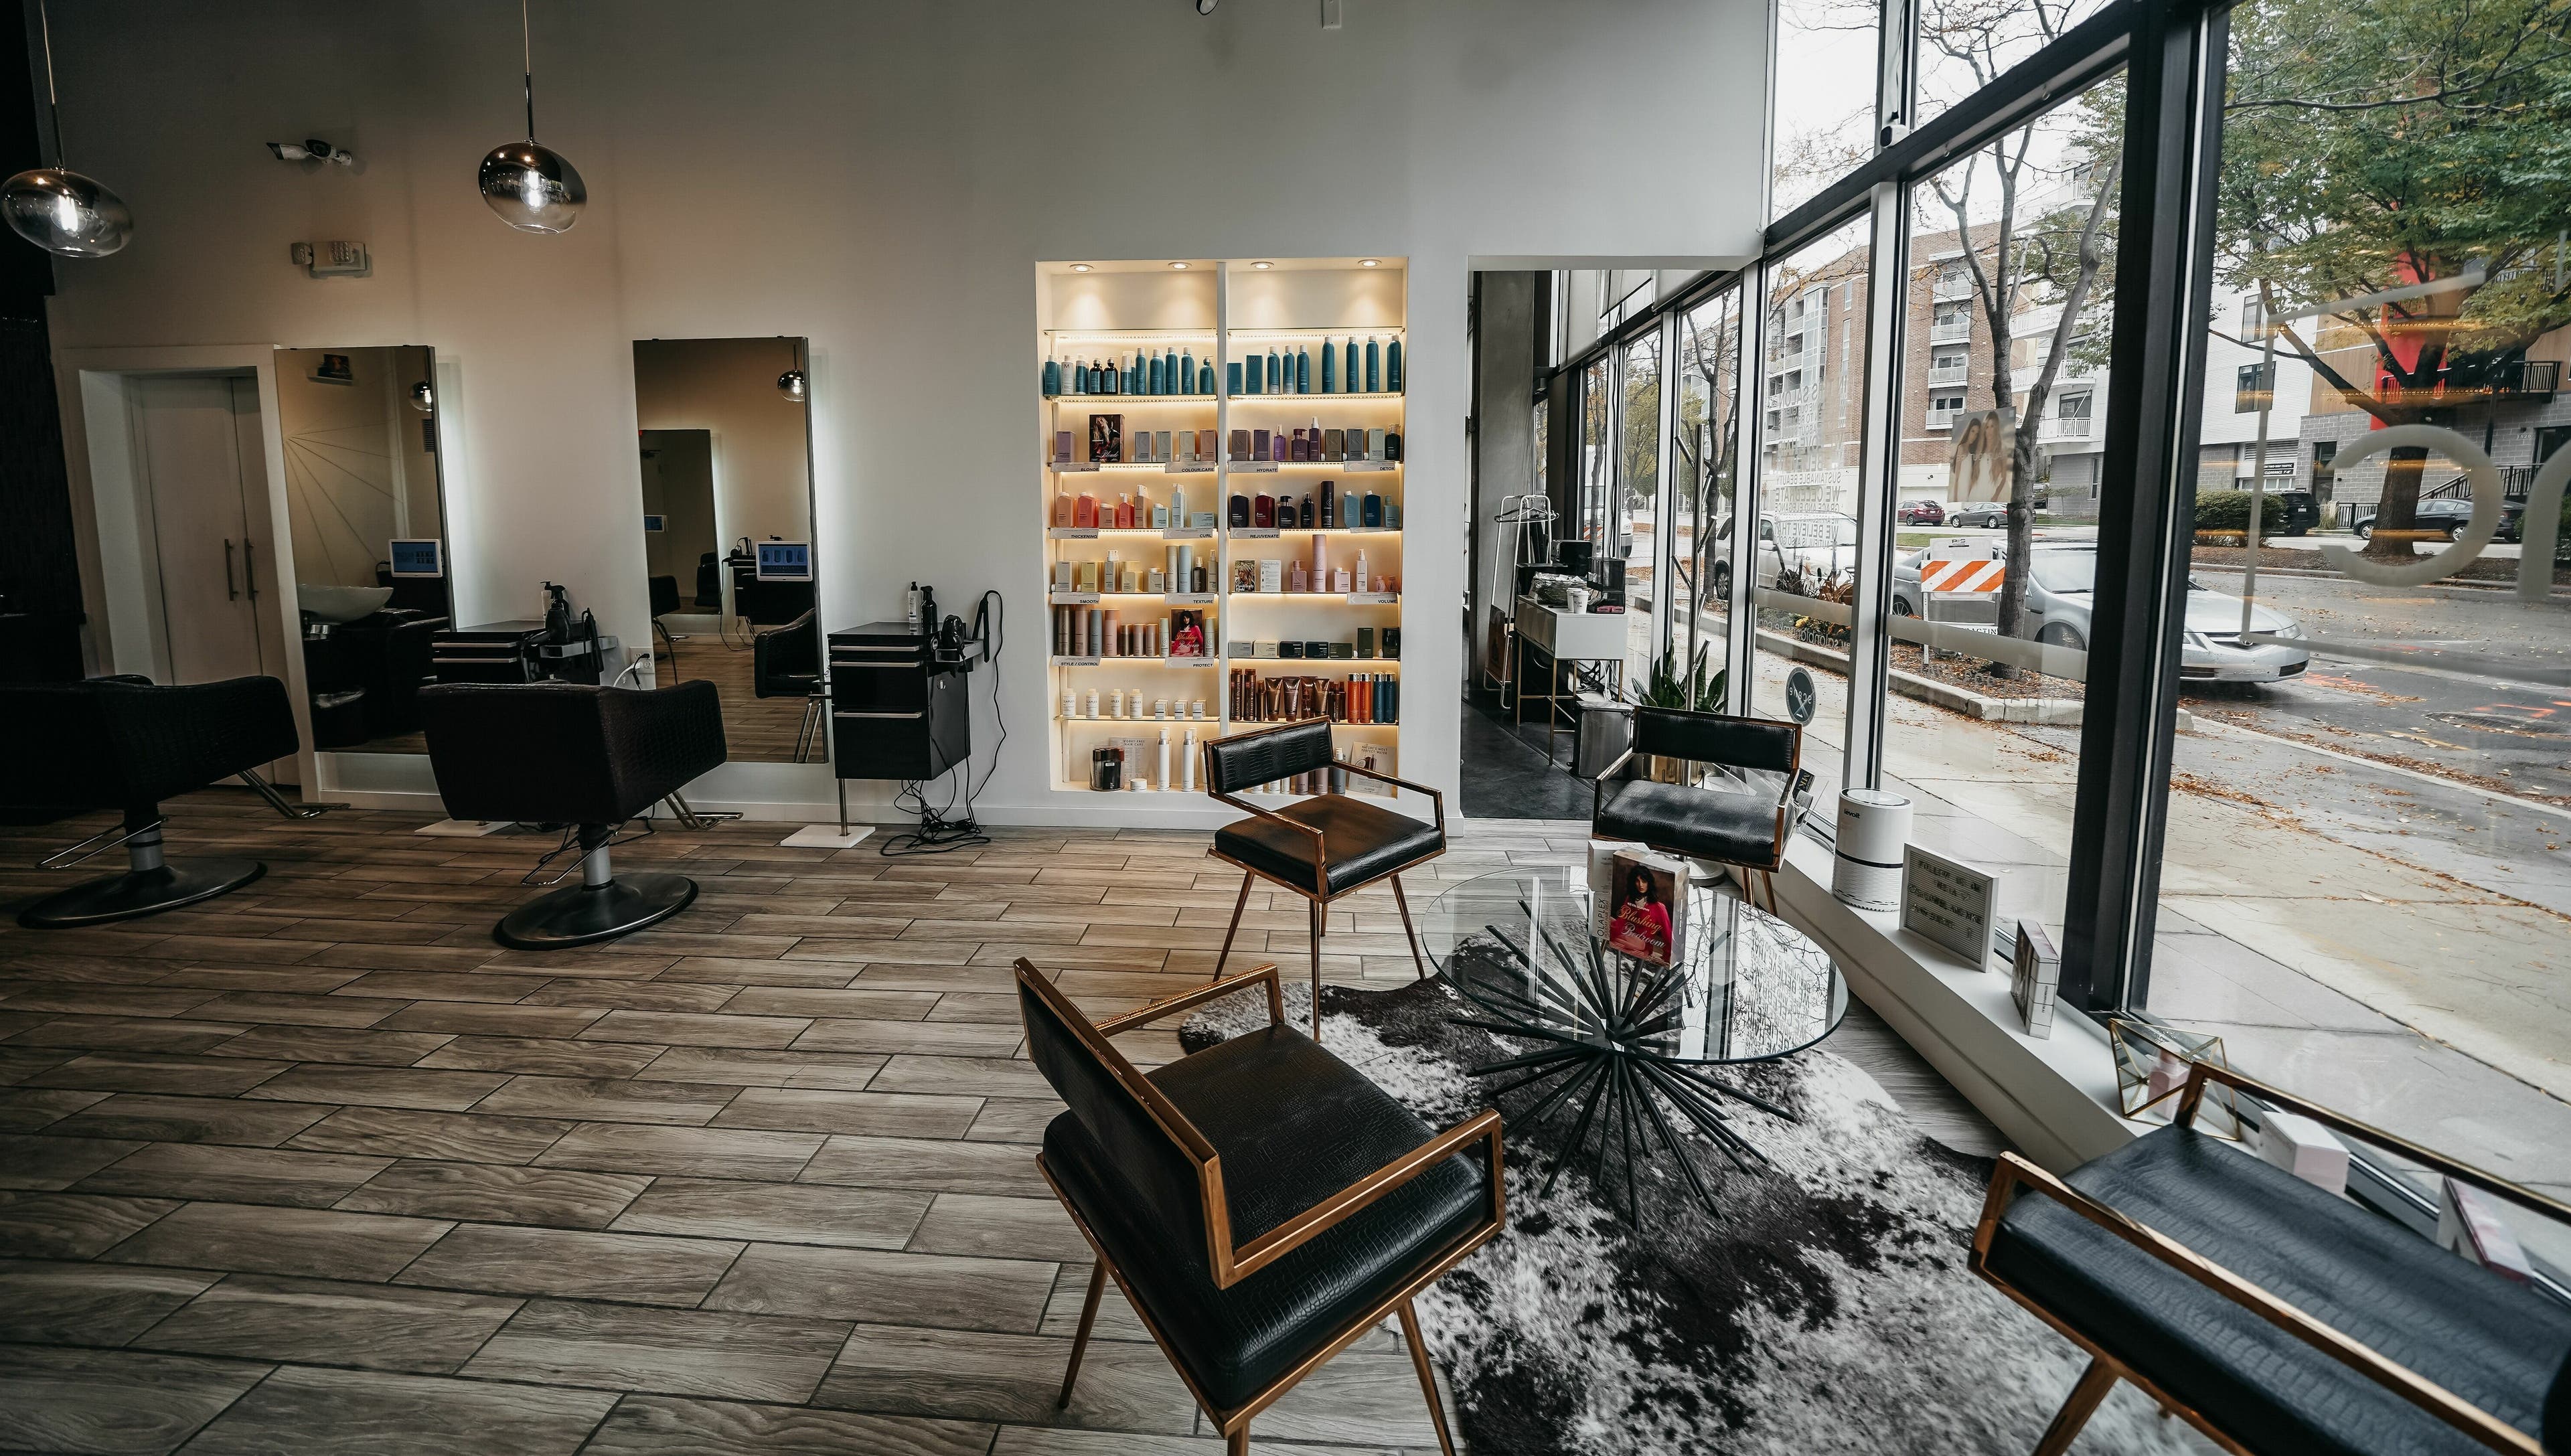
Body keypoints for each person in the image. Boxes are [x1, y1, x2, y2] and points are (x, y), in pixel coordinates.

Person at [1609, 864, 1672, 963]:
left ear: (1649, 883)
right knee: (1607, 919)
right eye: (1637, 881)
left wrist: (1667, 956)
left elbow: (1668, 934)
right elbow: (1621, 921)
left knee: (1614, 933)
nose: (1641, 885)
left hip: (1642, 944)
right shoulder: (1630, 899)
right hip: (1628, 934)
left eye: (1644, 881)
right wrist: (1613, 931)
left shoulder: (1659, 907)